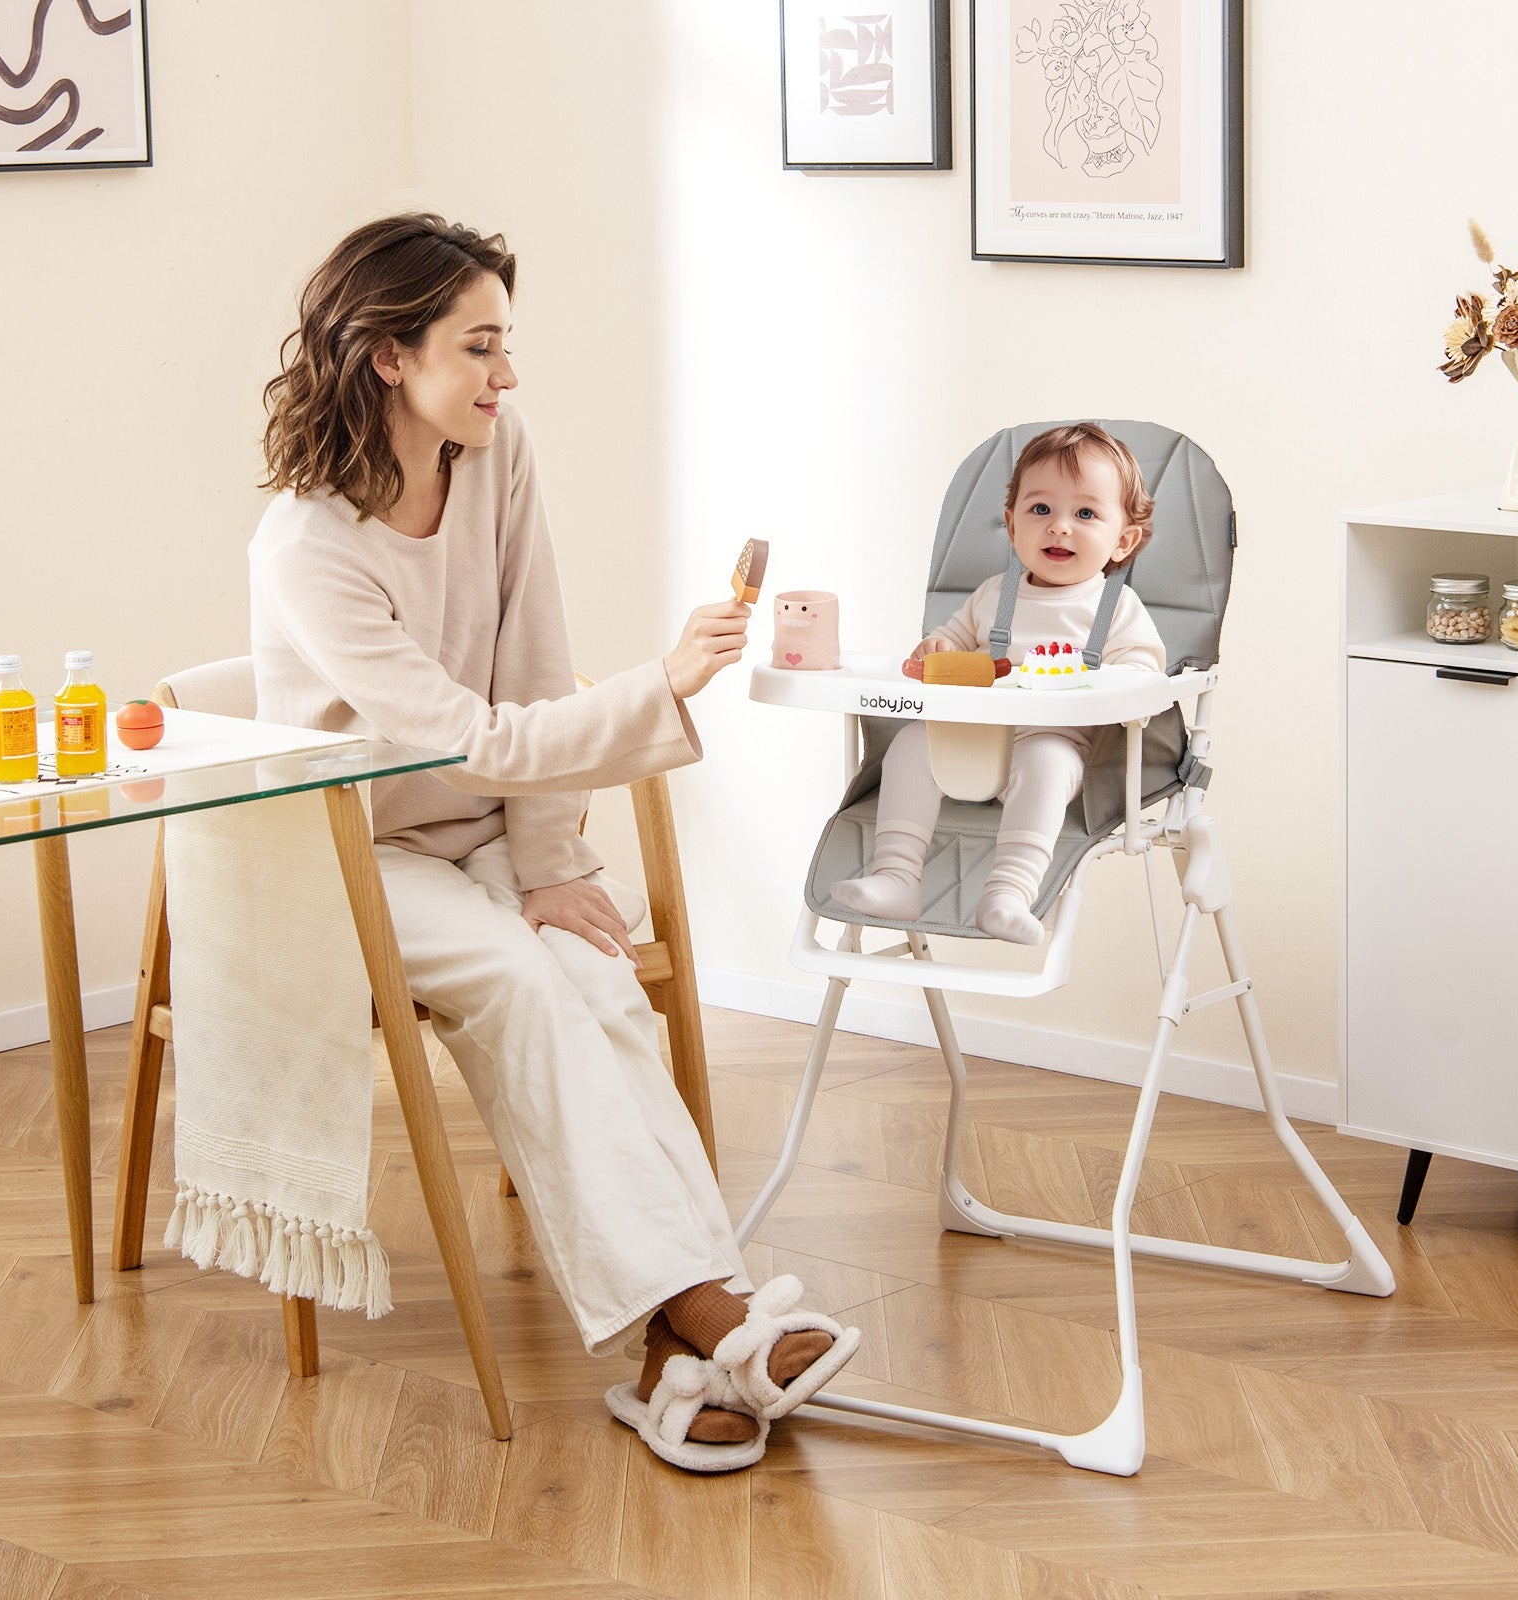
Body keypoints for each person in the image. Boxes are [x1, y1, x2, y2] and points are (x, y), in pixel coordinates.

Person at [250, 213, 857, 1472]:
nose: (505, 376)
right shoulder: (307, 547)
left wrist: (547, 862)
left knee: (593, 980)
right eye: (479, 347)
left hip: (487, 829)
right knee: (529, 986)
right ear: (385, 355)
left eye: (504, 345)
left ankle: (678, 1360)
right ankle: (713, 1318)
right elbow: (464, 733)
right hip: (357, 855)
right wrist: (665, 684)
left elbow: (530, 657)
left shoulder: (496, 447)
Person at [833, 423, 1165, 944]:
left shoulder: (1116, 607)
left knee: (1048, 760)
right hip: (971, 742)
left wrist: (1099, 681)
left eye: (1084, 514)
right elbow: (948, 640)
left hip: (1057, 747)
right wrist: (937, 649)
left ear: (1123, 540)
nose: (1059, 527)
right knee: (912, 743)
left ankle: (1008, 894)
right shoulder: (992, 596)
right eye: (1040, 510)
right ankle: (896, 876)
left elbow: (1145, 679)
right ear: (1011, 526)